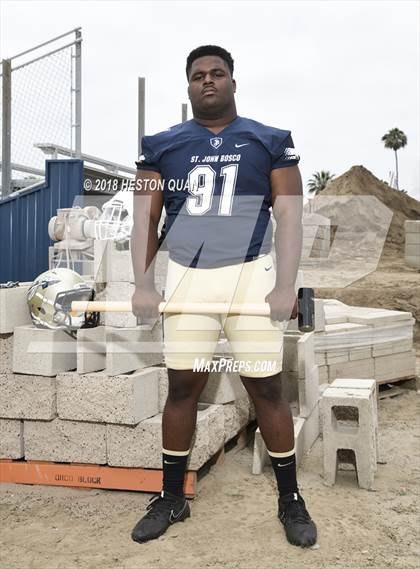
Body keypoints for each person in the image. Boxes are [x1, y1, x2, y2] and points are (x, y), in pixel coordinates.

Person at [130, 45, 317, 548]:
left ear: (233, 81)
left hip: (251, 273)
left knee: (267, 390)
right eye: (197, 76)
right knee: (182, 388)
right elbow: (146, 217)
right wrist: (144, 283)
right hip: (190, 275)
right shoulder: (162, 144)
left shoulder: (268, 139)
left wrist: (284, 285)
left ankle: (290, 500)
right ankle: (172, 497)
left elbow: (290, 216)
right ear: (188, 86)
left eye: (217, 73)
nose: (207, 81)